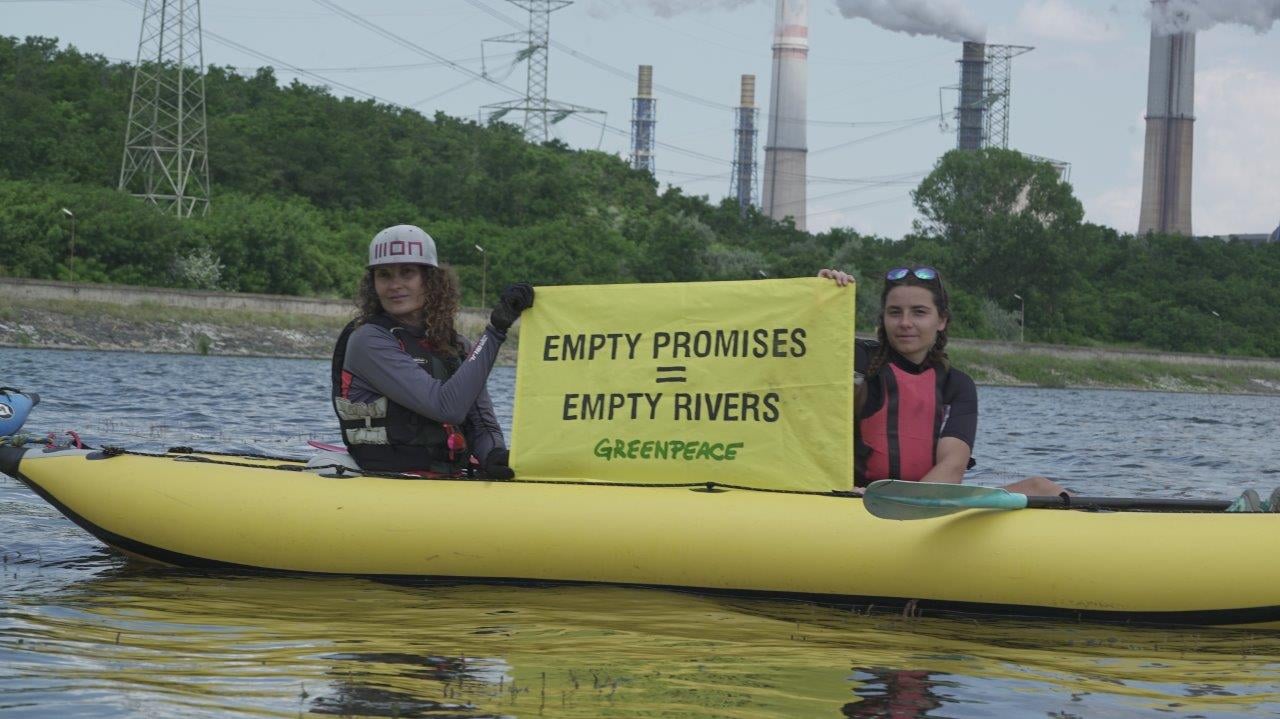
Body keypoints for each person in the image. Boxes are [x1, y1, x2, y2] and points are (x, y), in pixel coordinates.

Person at [819, 265, 1067, 496]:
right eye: (895, 312)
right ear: (883, 318)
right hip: (852, 501)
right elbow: (805, 358)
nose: (905, 323)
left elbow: (952, 466)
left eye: (919, 312)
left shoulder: (956, 384)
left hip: (917, 501)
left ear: (941, 320)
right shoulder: (856, 360)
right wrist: (819, 298)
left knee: (1043, 488)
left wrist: (895, 504)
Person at [331, 224, 533, 477]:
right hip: (386, 478)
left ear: (430, 280)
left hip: (444, 477)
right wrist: (496, 331)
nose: (395, 285)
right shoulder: (367, 341)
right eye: (384, 275)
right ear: (373, 284)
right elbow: (446, 407)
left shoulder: (456, 346)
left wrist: (493, 455)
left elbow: (481, 424)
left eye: (407, 273)